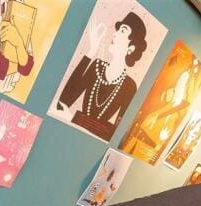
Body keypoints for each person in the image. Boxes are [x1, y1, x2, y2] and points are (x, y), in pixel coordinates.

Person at [55, 12, 147, 140]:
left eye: (122, 31)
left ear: (131, 48)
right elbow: (62, 104)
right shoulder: (97, 67)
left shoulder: (130, 86)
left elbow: (114, 134)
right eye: (117, 29)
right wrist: (91, 51)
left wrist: (74, 118)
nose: (114, 33)